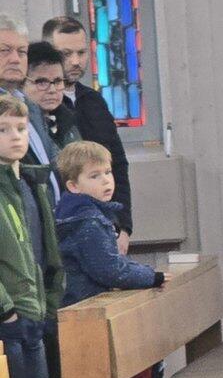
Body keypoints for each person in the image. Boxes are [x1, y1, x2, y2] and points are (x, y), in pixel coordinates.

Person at [0, 95, 65, 378]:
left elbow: (46, 249)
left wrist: (51, 299)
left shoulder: (31, 182)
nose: (15, 137)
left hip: (36, 312)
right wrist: (5, 310)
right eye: (3, 129)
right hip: (9, 318)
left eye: (21, 129)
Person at [45, 16, 132, 247]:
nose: (75, 61)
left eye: (81, 53)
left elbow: (118, 165)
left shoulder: (94, 101)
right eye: (66, 54)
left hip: (107, 223)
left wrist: (123, 227)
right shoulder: (44, 105)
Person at [55, 141, 163, 307]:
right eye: (94, 176)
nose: (106, 180)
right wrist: (151, 277)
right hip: (84, 305)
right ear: (74, 186)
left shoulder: (92, 215)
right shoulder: (88, 222)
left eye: (108, 172)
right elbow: (109, 269)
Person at [0, 16, 60, 200]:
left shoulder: (30, 106)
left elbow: (53, 162)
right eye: (5, 51)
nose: (15, 59)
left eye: (22, 52)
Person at [24, 42, 80, 149]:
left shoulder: (69, 121)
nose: (52, 90)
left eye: (58, 81)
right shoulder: (16, 127)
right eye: (42, 82)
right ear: (21, 83)